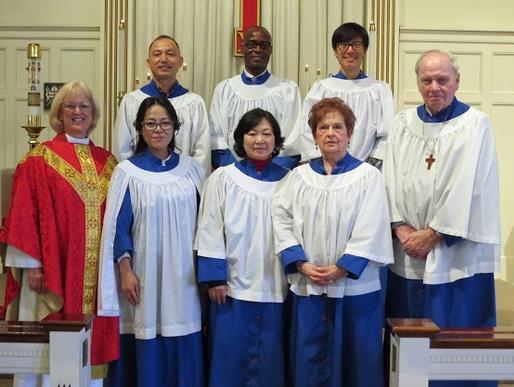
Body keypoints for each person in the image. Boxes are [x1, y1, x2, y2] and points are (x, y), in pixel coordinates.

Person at [383, 50, 500, 387]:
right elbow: (389, 177)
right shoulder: (403, 123)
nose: (434, 86)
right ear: (418, 83)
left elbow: (471, 185)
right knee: (409, 350)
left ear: (457, 82)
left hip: (456, 255)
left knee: (457, 342)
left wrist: (433, 234)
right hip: (408, 252)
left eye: (442, 80)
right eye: (426, 80)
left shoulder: (475, 124)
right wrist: (401, 228)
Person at [0, 80, 119, 387]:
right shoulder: (39, 159)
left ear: (93, 114)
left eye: (84, 106)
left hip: (96, 276)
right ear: (58, 114)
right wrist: (33, 265)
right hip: (51, 271)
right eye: (70, 106)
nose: (78, 112)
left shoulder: (109, 162)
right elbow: (24, 215)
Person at [273, 97, 393, 387]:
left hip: (354, 288)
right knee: (310, 358)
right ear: (314, 135)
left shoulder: (368, 177)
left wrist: (343, 266)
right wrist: (300, 263)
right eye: (323, 127)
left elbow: (371, 225)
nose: (330, 133)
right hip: (310, 283)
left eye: (338, 127)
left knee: (357, 360)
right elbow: (281, 218)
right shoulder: (299, 177)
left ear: (350, 133)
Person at [98, 96, 204, 387]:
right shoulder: (127, 172)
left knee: (183, 326)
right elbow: (119, 228)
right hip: (144, 271)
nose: (158, 129)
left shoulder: (193, 170)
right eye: (151, 123)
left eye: (165, 123)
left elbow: (206, 224)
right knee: (147, 328)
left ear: (175, 127)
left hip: (184, 275)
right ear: (140, 129)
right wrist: (125, 269)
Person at [196, 108, 289, 387]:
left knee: (271, 361)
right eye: (252, 133)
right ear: (241, 138)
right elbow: (210, 229)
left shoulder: (290, 181)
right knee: (230, 359)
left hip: (275, 284)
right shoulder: (222, 178)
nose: (259, 140)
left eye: (266, 133)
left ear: (276, 140)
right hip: (232, 288)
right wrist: (215, 279)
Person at [297, 22, 394, 168]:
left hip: (365, 170)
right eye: (343, 45)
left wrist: (368, 168)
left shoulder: (379, 90)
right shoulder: (321, 89)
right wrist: (321, 164)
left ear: (365, 50)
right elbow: (307, 130)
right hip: (325, 170)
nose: (350, 50)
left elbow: (387, 134)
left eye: (356, 44)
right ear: (335, 51)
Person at [113, 35, 210, 176]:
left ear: (180, 61)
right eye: (157, 54)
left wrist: (189, 183)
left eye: (170, 54)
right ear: (148, 62)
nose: (164, 59)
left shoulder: (195, 103)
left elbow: (202, 153)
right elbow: (122, 150)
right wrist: (138, 181)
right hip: (141, 183)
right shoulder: (131, 101)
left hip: (183, 186)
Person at [210, 26, 302, 170]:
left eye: (263, 45)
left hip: (275, 179)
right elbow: (216, 138)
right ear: (242, 48)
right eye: (251, 44)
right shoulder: (224, 89)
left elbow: (293, 139)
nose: (258, 49)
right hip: (233, 175)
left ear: (270, 50)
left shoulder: (288, 90)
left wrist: (271, 172)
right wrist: (236, 171)